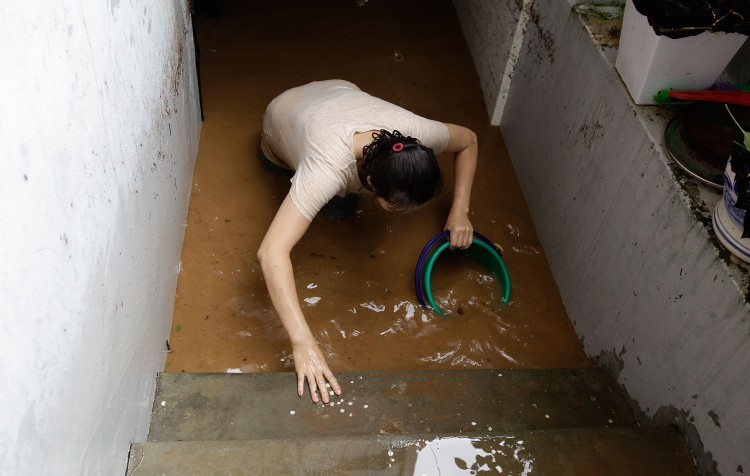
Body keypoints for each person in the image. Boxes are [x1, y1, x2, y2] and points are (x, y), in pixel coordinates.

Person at [257, 79, 478, 404]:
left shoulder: (416, 136)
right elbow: (270, 252)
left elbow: (469, 141)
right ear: (372, 181)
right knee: (332, 208)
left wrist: (460, 211)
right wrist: (302, 342)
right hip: (280, 122)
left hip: (336, 91)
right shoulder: (326, 170)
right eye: (398, 208)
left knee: (339, 208)